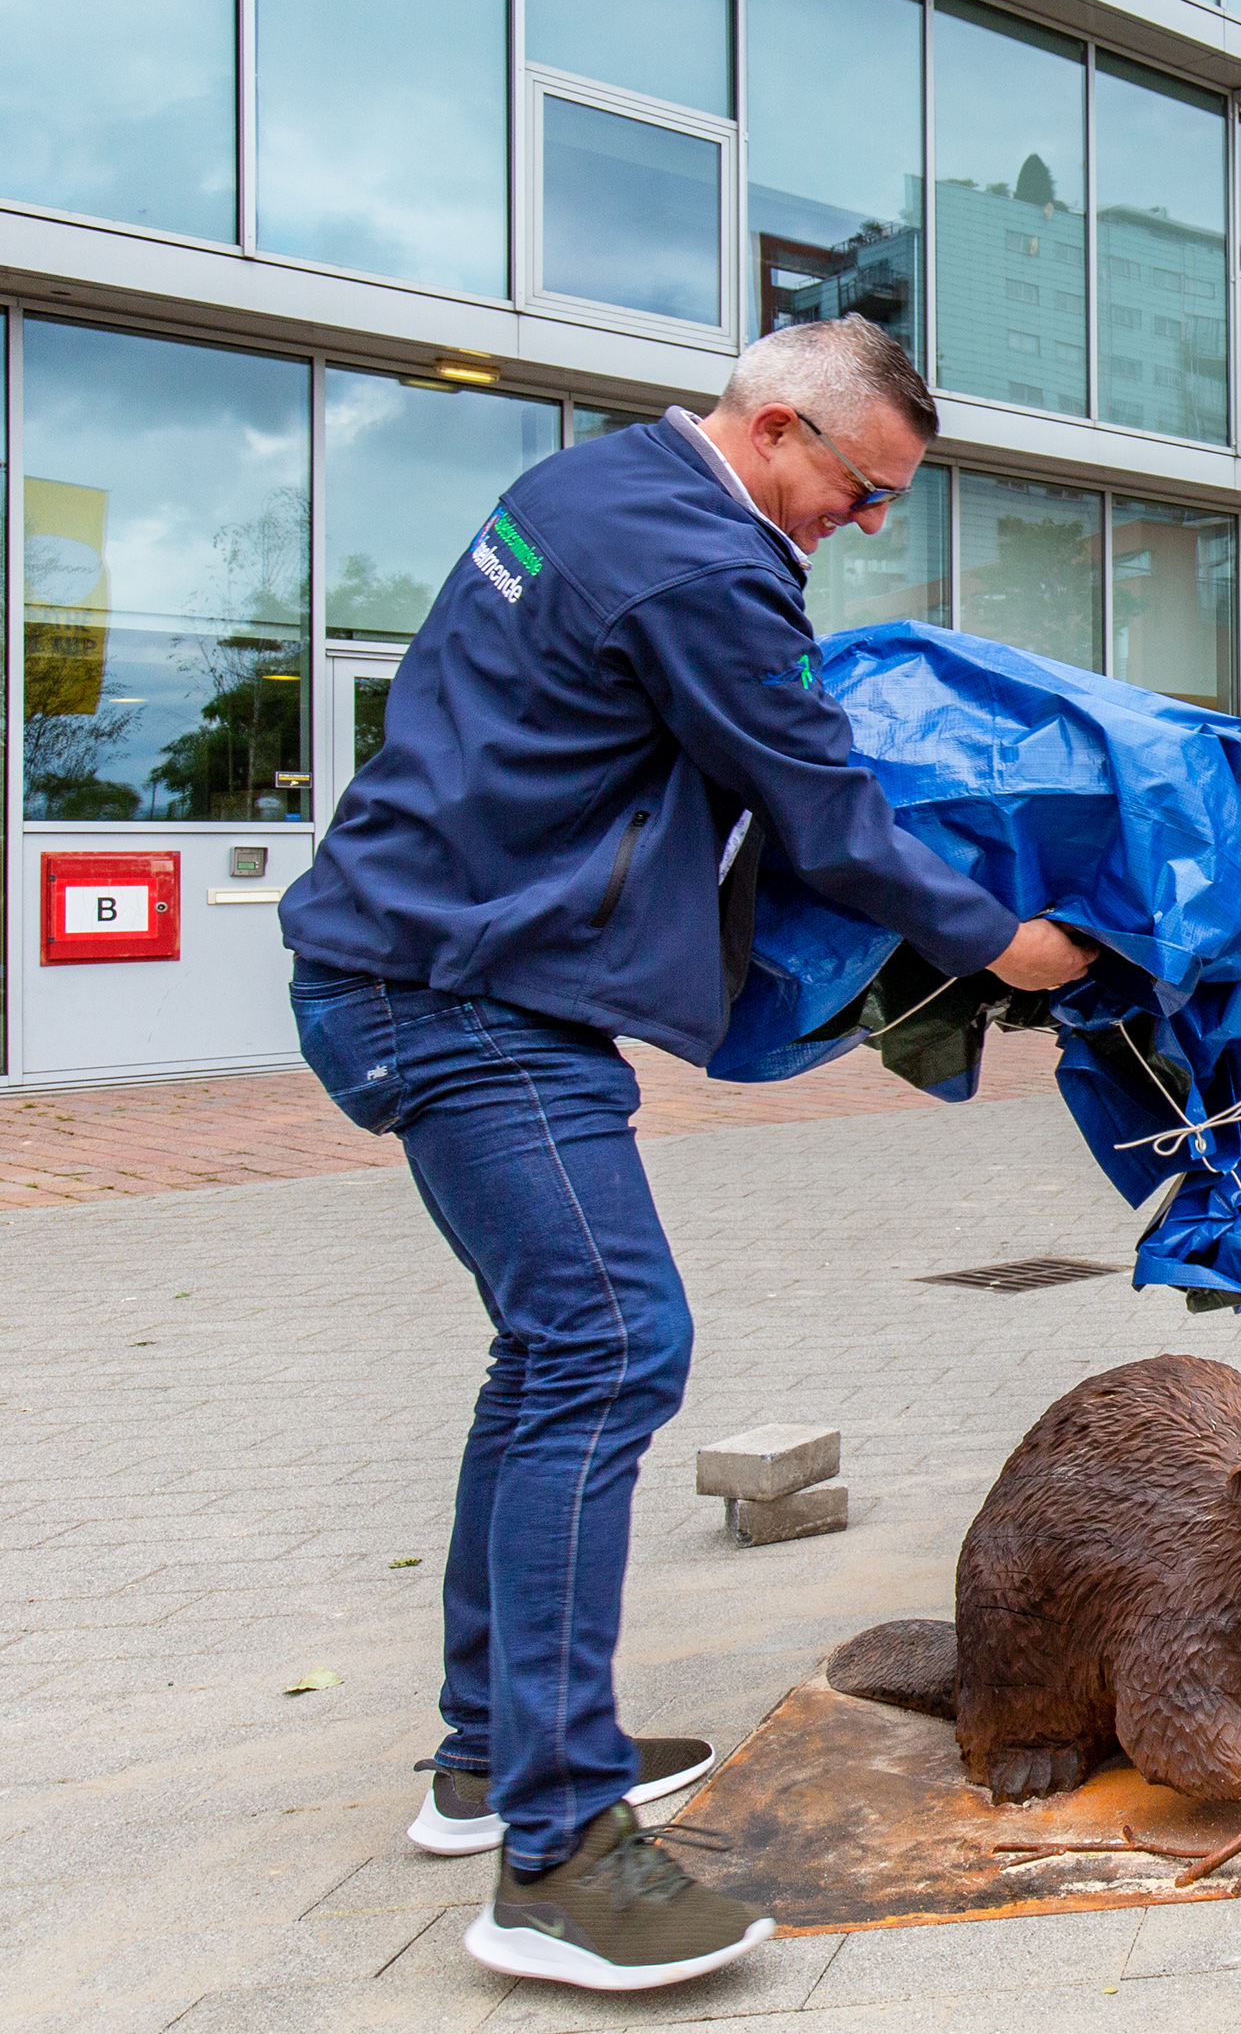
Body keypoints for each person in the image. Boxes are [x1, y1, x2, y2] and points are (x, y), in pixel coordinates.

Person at [280, 318, 1095, 1992]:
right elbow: (820, 806)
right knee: (608, 1341)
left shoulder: (590, 489)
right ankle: (560, 1857)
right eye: (860, 490)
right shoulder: (698, 565)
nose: (865, 527)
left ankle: (484, 1755)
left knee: (545, 1360)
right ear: (777, 425)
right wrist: (1002, 943)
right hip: (458, 995)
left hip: (418, 973)